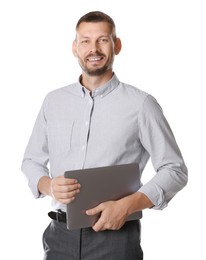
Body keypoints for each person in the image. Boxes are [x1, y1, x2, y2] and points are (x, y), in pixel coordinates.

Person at [21, 11, 188, 260]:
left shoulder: (142, 104)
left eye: (103, 40)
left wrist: (127, 205)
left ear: (116, 45)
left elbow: (175, 170)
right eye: (86, 41)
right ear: (75, 47)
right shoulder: (53, 101)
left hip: (116, 239)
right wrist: (49, 186)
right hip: (58, 238)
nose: (94, 49)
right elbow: (31, 161)